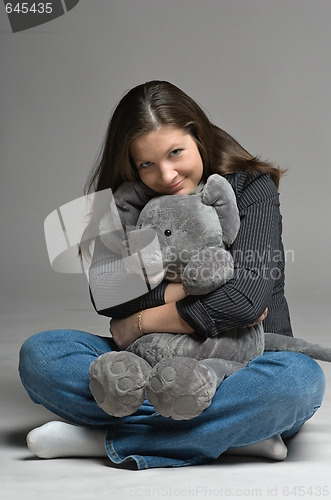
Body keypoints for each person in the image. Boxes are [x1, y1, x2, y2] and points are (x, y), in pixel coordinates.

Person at [18, 81, 325, 469]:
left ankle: (102, 439)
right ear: (131, 163)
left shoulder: (251, 186)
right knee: (42, 354)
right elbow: (108, 294)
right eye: (146, 163)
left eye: (175, 152)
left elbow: (247, 301)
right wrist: (187, 291)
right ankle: (231, 435)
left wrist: (139, 321)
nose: (165, 174)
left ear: (198, 135)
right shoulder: (127, 200)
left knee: (296, 382)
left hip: (241, 362)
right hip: (148, 359)